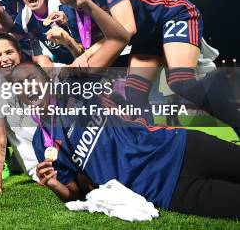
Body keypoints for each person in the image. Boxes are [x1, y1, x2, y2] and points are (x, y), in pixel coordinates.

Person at [25, 61, 240, 220]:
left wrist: (71, 43)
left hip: (179, 147)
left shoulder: (76, 91)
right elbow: (74, 193)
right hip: (164, 190)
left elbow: (117, 38)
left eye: (32, 79)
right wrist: (54, 184)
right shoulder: (41, 142)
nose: (27, 87)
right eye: (18, 85)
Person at [48, 0, 240, 132]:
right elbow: (93, 53)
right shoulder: (70, 14)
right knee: (134, 93)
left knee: (181, 81)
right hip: (146, 38)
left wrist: (86, 52)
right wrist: (69, 43)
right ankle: (151, 149)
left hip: (171, 14)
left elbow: (127, 29)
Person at [0, 34, 40, 194]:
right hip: (37, 166)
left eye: (9, 52)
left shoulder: (39, 75)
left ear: (19, 53)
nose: (4, 59)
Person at [11, 0, 82, 65]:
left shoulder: (64, 8)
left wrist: (68, 25)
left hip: (85, 59)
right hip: (64, 66)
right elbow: (8, 40)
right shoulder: (25, 17)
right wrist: (35, 59)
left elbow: (85, 49)